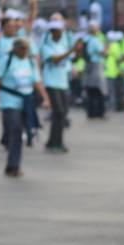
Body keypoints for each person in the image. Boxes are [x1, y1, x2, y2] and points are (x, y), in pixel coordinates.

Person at [0, 36, 47, 177]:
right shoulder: (6, 60)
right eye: (22, 49)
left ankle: (13, 165)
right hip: (9, 100)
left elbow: (37, 82)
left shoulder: (30, 62)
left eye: (26, 49)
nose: (24, 51)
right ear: (16, 49)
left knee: (20, 133)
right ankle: (13, 165)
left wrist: (45, 98)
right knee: (15, 130)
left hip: (26, 101)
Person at [39, 13, 78, 153]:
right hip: (51, 83)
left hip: (63, 82)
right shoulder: (46, 46)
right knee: (59, 112)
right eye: (57, 32)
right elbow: (55, 59)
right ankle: (56, 143)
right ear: (52, 32)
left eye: (61, 31)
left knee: (62, 113)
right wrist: (71, 51)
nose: (60, 34)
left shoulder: (63, 44)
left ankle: (53, 142)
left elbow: (69, 59)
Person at [82, 21, 106, 119]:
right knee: (98, 90)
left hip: (88, 66)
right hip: (95, 66)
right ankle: (99, 112)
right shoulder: (95, 40)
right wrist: (107, 47)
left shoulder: (86, 39)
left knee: (90, 91)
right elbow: (102, 52)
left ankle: (91, 112)